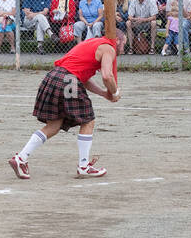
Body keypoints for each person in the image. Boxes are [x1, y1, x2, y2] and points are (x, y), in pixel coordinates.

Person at [8, 34, 119, 180]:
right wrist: (115, 91)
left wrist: (104, 94)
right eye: (123, 43)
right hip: (69, 80)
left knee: (54, 126)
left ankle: (21, 158)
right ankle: (84, 166)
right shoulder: (109, 48)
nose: (122, 47)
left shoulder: (93, 44)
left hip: (54, 76)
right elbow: (107, 76)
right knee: (87, 121)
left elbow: (83, 79)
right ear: (118, 40)